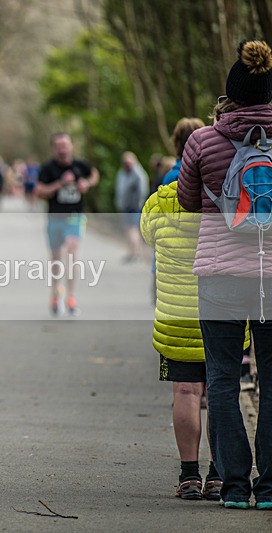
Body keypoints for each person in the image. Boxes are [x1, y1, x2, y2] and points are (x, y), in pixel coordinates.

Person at [177, 39, 272, 510]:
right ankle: (269, 487)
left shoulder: (202, 140)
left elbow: (187, 201)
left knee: (221, 381)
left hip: (219, 277)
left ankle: (234, 486)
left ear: (230, 93)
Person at [141, 177, 232, 501]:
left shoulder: (160, 202)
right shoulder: (232, 194)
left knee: (186, 391)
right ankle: (218, 475)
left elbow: (147, 237)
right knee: (221, 391)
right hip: (224, 308)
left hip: (177, 316)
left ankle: (189, 476)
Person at [35, 133, 99, 316]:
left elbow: (94, 174)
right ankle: (56, 294)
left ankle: (71, 297)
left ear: (71, 146)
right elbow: (39, 191)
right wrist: (60, 184)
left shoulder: (80, 165)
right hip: (55, 218)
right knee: (56, 260)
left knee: (71, 253)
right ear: (53, 148)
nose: (62, 148)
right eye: (58, 145)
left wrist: (87, 183)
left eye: (65, 144)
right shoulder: (48, 168)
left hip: (74, 217)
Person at [114, 151, 149, 262]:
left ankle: (136, 252)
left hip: (135, 206)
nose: (127, 165)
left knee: (133, 229)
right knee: (128, 229)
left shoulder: (138, 174)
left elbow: (142, 191)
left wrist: (139, 204)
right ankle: (132, 251)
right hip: (125, 206)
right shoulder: (122, 173)